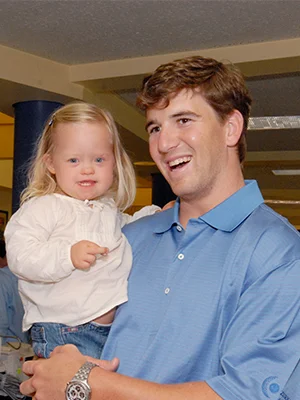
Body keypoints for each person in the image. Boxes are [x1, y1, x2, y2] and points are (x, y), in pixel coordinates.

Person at [20, 56, 300, 400]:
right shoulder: (129, 236)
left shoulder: (278, 252)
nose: (164, 144)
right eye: (155, 127)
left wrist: (86, 383)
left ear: (231, 128)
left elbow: (248, 393)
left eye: (183, 120)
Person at [4, 102, 160, 359]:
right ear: (51, 164)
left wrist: (154, 215)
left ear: (114, 163)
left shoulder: (106, 209)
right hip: (66, 331)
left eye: (99, 159)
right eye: (74, 160)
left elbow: (126, 228)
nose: (87, 168)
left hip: (109, 330)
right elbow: (21, 255)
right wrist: (67, 255)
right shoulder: (45, 207)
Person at [0, 240, 28, 343]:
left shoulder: (2, 279)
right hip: (20, 343)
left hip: (6, 346)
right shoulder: (21, 276)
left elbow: (1, 321)